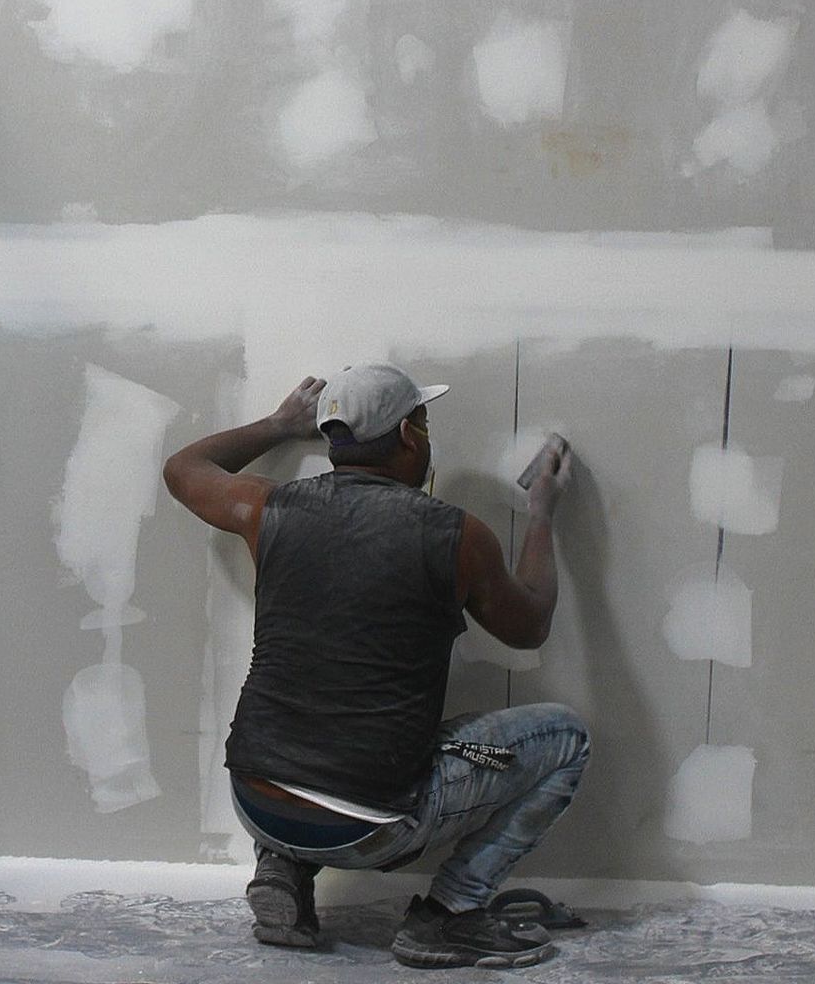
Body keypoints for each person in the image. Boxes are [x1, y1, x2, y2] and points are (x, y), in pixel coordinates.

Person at [163, 363, 588, 970]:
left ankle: (282, 869)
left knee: (312, 725)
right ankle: (448, 917)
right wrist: (543, 513)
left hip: (256, 800)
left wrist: (281, 426)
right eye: (424, 419)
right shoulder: (457, 536)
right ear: (411, 435)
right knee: (567, 738)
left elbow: (182, 469)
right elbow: (531, 625)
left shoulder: (268, 510)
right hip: (369, 826)